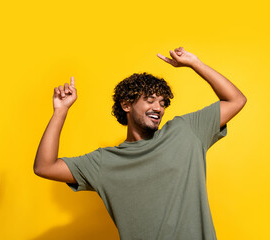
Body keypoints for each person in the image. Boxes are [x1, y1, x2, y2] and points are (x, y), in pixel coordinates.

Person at [34, 47, 247, 240]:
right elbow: (45, 167)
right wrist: (60, 112)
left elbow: (235, 100)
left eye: (163, 103)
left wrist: (195, 63)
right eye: (150, 99)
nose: (159, 107)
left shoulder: (185, 131)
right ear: (126, 105)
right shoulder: (105, 162)